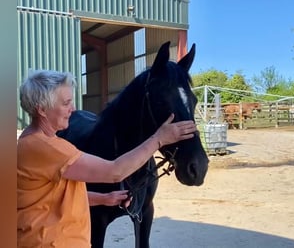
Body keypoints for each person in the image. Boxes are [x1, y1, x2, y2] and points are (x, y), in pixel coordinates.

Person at [17, 70, 197, 248]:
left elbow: (54, 197)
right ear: (41, 109)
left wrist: (104, 198)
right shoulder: (46, 148)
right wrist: (159, 139)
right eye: (66, 103)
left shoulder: (32, 141)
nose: (73, 109)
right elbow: (114, 172)